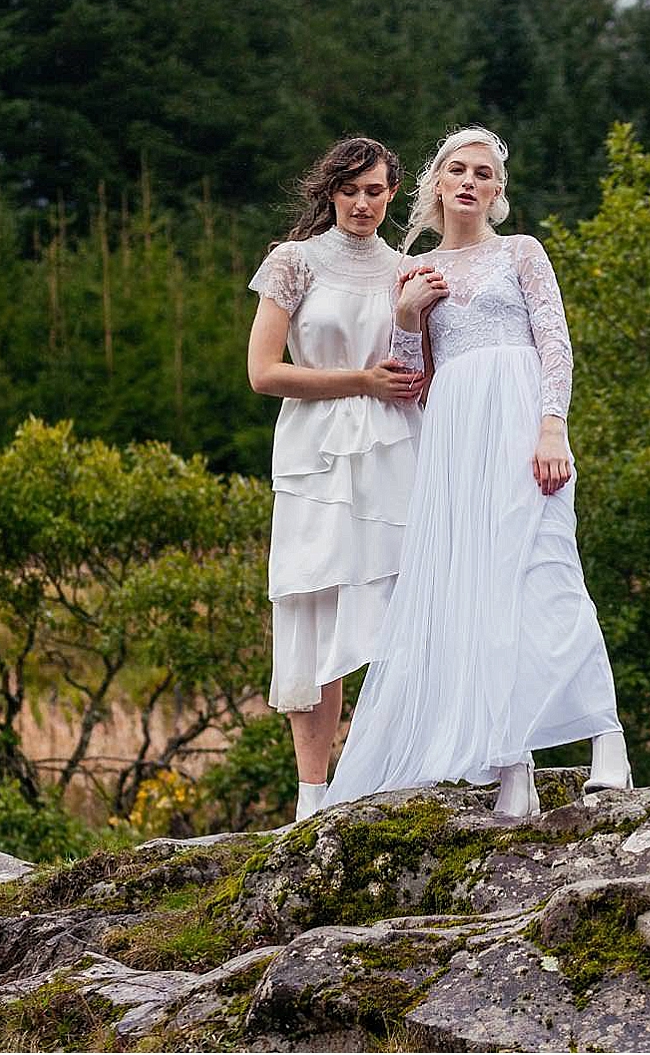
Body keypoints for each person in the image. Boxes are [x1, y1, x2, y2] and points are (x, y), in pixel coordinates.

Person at [324, 126, 632, 818]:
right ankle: (510, 767)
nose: (469, 181)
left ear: (497, 191)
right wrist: (405, 318)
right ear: (437, 183)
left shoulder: (521, 252)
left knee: (549, 571)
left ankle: (606, 741)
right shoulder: (411, 270)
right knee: (482, 593)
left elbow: (555, 341)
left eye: (483, 173)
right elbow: (412, 380)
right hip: (457, 439)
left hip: (524, 422)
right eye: (457, 170)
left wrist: (552, 425)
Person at [247, 136, 432, 822]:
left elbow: (417, 371)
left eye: (375, 191)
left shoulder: (406, 269)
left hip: (392, 449)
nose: (362, 203)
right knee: (313, 605)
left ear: (391, 194)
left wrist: (410, 324)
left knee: (392, 603)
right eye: (350, 190)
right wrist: (360, 379)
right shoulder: (293, 262)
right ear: (329, 192)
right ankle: (311, 796)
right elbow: (263, 372)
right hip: (314, 451)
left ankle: (394, 772)